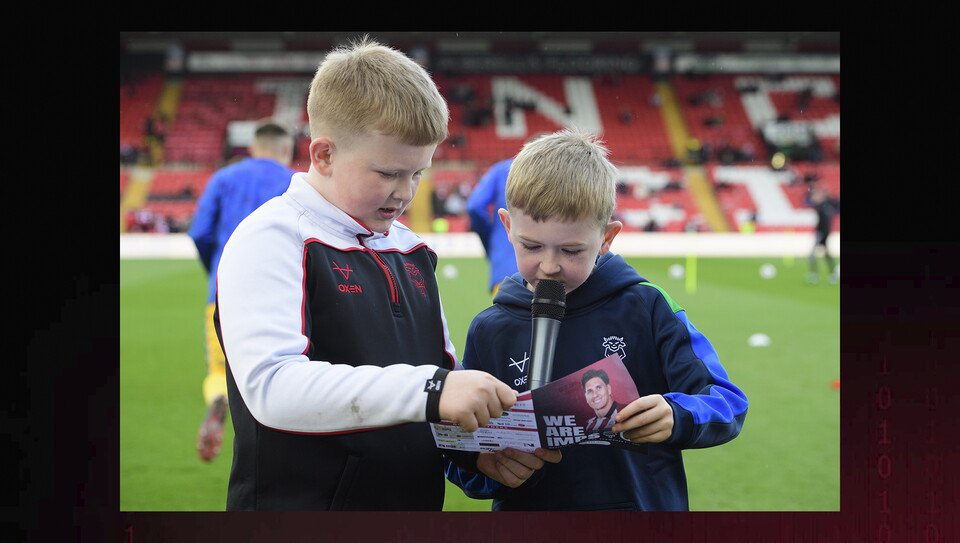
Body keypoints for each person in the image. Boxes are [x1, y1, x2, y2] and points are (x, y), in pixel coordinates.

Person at [213, 36, 559, 511]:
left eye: (418, 173)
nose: (405, 193)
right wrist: (433, 389)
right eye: (388, 173)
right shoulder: (271, 237)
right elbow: (273, 388)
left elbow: (439, 382)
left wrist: (476, 452)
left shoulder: (412, 250)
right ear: (324, 155)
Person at [445, 129, 748, 511]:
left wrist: (676, 414)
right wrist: (486, 466)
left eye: (571, 250)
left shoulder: (645, 306)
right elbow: (460, 452)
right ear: (507, 227)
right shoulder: (490, 329)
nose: (550, 266)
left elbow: (727, 401)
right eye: (532, 246)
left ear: (607, 238)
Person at [187, 119, 298, 463]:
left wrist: (216, 270)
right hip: (285, 295)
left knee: (221, 371)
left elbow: (200, 233)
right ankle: (284, 438)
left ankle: (219, 398)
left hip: (223, 293)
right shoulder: (295, 182)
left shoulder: (223, 178)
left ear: (252, 147)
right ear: (286, 149)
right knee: (287, 367)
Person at [806, 184, 840, 284]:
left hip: (822, 233)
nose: (814, 197)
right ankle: (832, 274)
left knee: (812, 255)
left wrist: (822, 234)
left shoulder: (824, 206)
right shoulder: (824, 206)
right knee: (826, 255)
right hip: (823, 233)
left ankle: (815, 275)